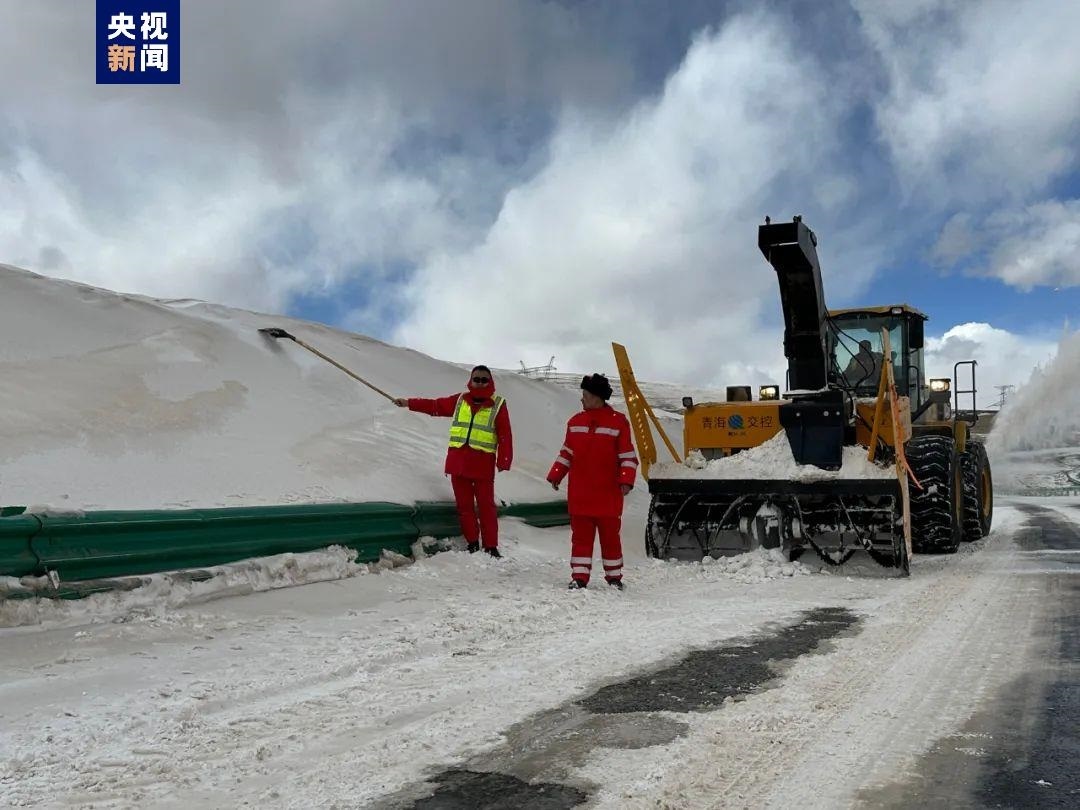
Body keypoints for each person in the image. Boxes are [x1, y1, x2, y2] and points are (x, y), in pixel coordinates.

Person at [394, 366, 512, 557]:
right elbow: (435, 406)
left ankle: (490, 546)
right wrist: (409, 403)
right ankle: (472, 543)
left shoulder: (498, 404)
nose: (480, 383)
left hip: (482, 465)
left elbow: (505, 433)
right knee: (464, 507)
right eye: (476, 379)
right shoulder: (460, 400)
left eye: (484, 380)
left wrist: (504, 460)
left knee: (486, 507)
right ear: (471, 381)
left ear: (490, 382)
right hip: (458, 464)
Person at [547, 373, 637, 590]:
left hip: (608, 494)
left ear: (597, 397)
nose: (582, 399)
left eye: (585, 395)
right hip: (581, 494)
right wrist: (556, 474)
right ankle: (579, 577)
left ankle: (614, 577)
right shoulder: (575, 422)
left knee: (610, 539)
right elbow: (567, 453)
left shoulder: (619, 422)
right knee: (580, 539)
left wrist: (626, 481)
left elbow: (627, 456)